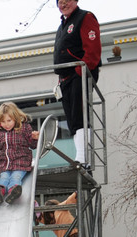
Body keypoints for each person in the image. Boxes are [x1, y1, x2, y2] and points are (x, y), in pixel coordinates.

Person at [54, 0, 101, 166]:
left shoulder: (85, 17)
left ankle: (83, 158)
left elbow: (93, 49)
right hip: (66, 78)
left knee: (80, 115)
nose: (63, 4)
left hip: (79, 74)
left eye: (67, 0)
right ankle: (79, 156)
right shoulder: (62, 26)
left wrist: (81, 71)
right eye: (60, 1)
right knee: (72, 119)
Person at [0, 102, 40, 205]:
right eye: (3, 122)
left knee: (16, 177)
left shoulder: (24, 128)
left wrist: (35, 138)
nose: (6, 124)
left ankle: (13, 192)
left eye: (9, 120)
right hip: (4, 164)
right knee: (4, 177)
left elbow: (32, 145)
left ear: (15, 118)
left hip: (21, 162)